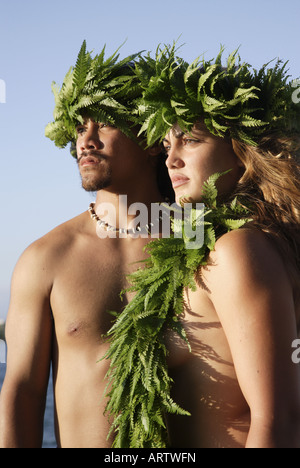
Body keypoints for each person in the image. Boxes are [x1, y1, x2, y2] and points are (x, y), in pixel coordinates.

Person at [112, 46, 300, 448]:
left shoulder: (238, 250)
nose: (171, 160)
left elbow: (279, 419)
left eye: (190, 141)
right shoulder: (220, 246)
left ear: (241, 153)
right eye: (166, 147)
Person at [0, 43, 173, 448]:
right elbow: (22, 392)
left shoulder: (206, 246)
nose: (86, 141)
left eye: (106, 124)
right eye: (80, 127)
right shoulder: (46, 259)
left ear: (151, 138)